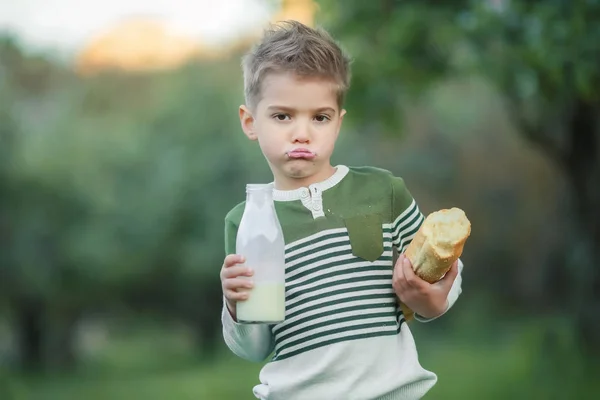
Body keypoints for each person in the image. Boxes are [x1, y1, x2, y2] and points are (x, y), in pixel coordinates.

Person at [220, 20, 463, 400]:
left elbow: (443, 276)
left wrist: (433, 300)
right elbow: (254, 347)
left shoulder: (383, 191)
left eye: (320, 117)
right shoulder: (249, 219)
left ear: (338, 123)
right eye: (282, 116)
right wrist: (235, 306)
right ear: (250, 122)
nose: (302, 133)